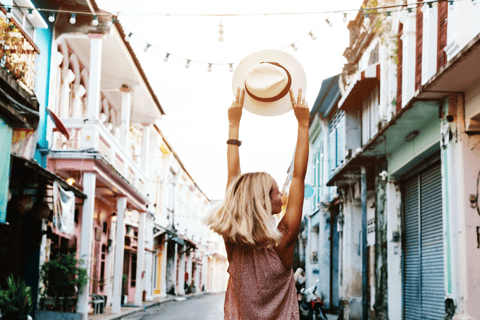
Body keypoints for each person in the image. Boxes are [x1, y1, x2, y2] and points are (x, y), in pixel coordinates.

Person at [205, 79, 309, 319]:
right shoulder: (282, 242)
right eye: (276, 191)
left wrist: (234, 124)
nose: (282, 195)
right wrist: (303, 124)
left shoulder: (234, 242)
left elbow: (233, 180)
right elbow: (298, 177)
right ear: (262, 201)